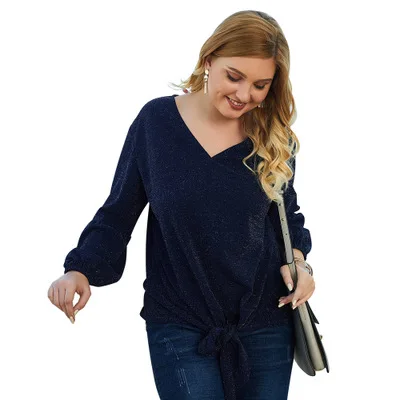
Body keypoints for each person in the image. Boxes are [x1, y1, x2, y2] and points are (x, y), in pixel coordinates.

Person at [47, 9, 315, 400]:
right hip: (179, 319)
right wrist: (79, 270)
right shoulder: (156, 122)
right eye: (234, 76)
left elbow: (286, 217)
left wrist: (301, 266)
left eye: (260, 85)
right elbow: (119, 211)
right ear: (209, 60)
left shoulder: (274, 136)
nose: (244, 95)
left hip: (266, 319)